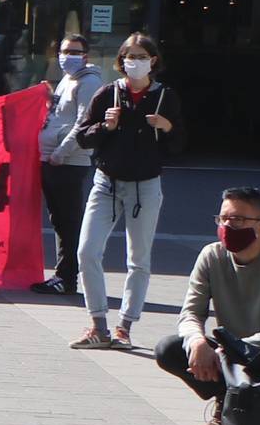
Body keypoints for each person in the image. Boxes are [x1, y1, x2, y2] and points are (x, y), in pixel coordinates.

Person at [156, 187, 260, 425]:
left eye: (238, 220)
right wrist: (197, 341)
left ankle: (246, 409)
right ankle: (226, 401)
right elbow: (190, 313)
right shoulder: (211, 255)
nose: (228, 226)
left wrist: (233, 348)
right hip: (229, 351)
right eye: (222, 219)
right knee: (169, 348)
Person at [64, 32, 183, 352]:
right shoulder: (108, 93)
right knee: (87, 251)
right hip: (106, 183)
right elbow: (84, 137)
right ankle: (98, 324)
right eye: (130, 56)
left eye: (141, 56)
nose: (135, 62)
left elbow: (180, 145)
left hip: (145, 186)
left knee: (138, 260)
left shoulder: (164, 97)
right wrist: (106, 127)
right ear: (121, 60)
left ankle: (124, 327)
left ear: (153, 61)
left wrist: (166, 127)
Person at [31, 34, 105, 298]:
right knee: (59, 219)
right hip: (53, 156)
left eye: (74, 51)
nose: (68, 56)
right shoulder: (67, 80)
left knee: (68, 220)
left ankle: (67, 277)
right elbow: (64, 114)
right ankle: (63, 275)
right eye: (64, 51)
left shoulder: (89, 82)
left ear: (85, 55)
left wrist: (62, 152)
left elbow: (83, 121)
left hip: (67, 160)